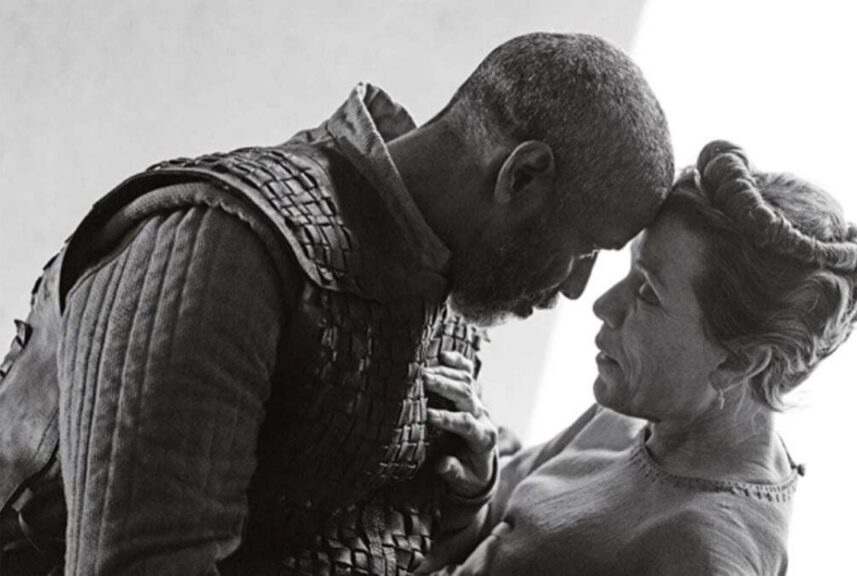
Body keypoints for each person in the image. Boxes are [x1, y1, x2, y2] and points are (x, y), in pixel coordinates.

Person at [0, 33, 674, 575]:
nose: (576, 289)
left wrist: (466, 493)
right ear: (521, 175)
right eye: (586, 249)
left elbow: (358, 532)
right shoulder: (224, 251)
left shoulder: (433, 282)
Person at [423, 141, 857, 575]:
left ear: (738, 363)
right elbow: (497, 536)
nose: (603, 305)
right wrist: (477, 483)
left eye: (647, 291)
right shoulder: (637, 411)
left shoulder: (705, 557)